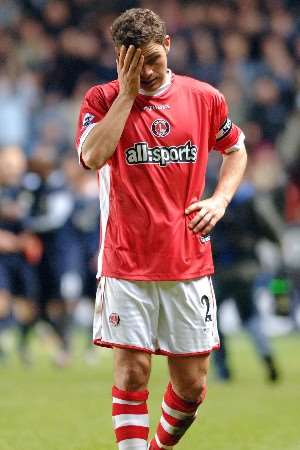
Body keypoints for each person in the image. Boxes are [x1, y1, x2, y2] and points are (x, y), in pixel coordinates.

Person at [75, 8, 247, 450]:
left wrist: (220, 199)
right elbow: (93, 158)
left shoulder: (205, 98)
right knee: (133, 372)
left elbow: (237, 149)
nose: (146, 71)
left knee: (192, 388)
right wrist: (127, 96)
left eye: (152, 58)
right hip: (126, 261)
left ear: (167, 46)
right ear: (119, 58)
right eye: (134, 61)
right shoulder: (101, 99)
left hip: (187, 260)